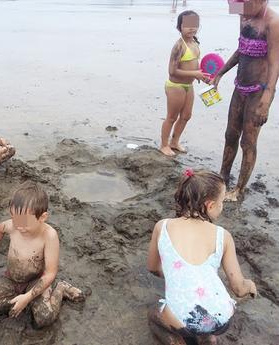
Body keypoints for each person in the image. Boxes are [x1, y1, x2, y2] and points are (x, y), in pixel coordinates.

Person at [147, 169, 257, 344]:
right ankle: (208, 338)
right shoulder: (223, 236)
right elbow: (238, 288)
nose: (222, 207)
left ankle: (177, 341)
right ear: (210, 205)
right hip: (222, 317)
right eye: (222, 202)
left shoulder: (163, 227)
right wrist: (250, 286)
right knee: (206, 303)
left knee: (154, 314)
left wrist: (173, 273)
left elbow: (153, 268)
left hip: (183, 320)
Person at [0, 181, 86, 328]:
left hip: (36, 281)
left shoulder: (49, 236)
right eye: (15, 218)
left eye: (25, 221)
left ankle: (61, 289)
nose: (19, 225)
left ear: (42, 217)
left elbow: (50, 273)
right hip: (11, 279)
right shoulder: (14, 225)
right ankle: (19, 301)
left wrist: (28, 297)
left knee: (44, 319)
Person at [211, 0, 279, 201]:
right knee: (230, 134)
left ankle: (239, 190)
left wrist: (266, 100)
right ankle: (223, 178)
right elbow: (241, 49)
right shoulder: (244, 13)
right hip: (239, 87)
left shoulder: (273, 22)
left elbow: (275, 65)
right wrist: (220, 73)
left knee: (248, 141)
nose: (242, 11)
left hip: (259, 91)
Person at [160, 11, 210, 156]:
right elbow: (172, 71)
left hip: (189, 86)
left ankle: (174, 142)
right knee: (171, 117)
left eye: (194, 25)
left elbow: (194, 65)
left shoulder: (194, 42)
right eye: (187, 25)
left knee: (186, 116)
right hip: (176, 86)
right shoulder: (179, 46)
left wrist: (202, 75)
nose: (191, 28)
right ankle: (164, 145)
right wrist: (194, 74)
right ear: (179, 27)